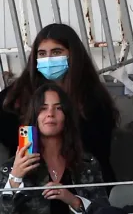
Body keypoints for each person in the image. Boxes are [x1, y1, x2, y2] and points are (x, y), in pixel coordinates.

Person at [0, 23, 119, 184]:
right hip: (30, 181)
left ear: (72, 54)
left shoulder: (93, 99)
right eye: (42, 53)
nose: (48, 59)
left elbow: (100, 150)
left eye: (56, 52)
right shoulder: (16, 96)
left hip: (84, 181)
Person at [0, 84, 109, 214]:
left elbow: (105, 210)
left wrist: (74, 201)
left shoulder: (87, 164)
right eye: (43, 108)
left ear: (66, 116)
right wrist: (15, 178)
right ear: (35, 115)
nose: (50, 114)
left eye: (58, 108)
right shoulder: (12, 167)